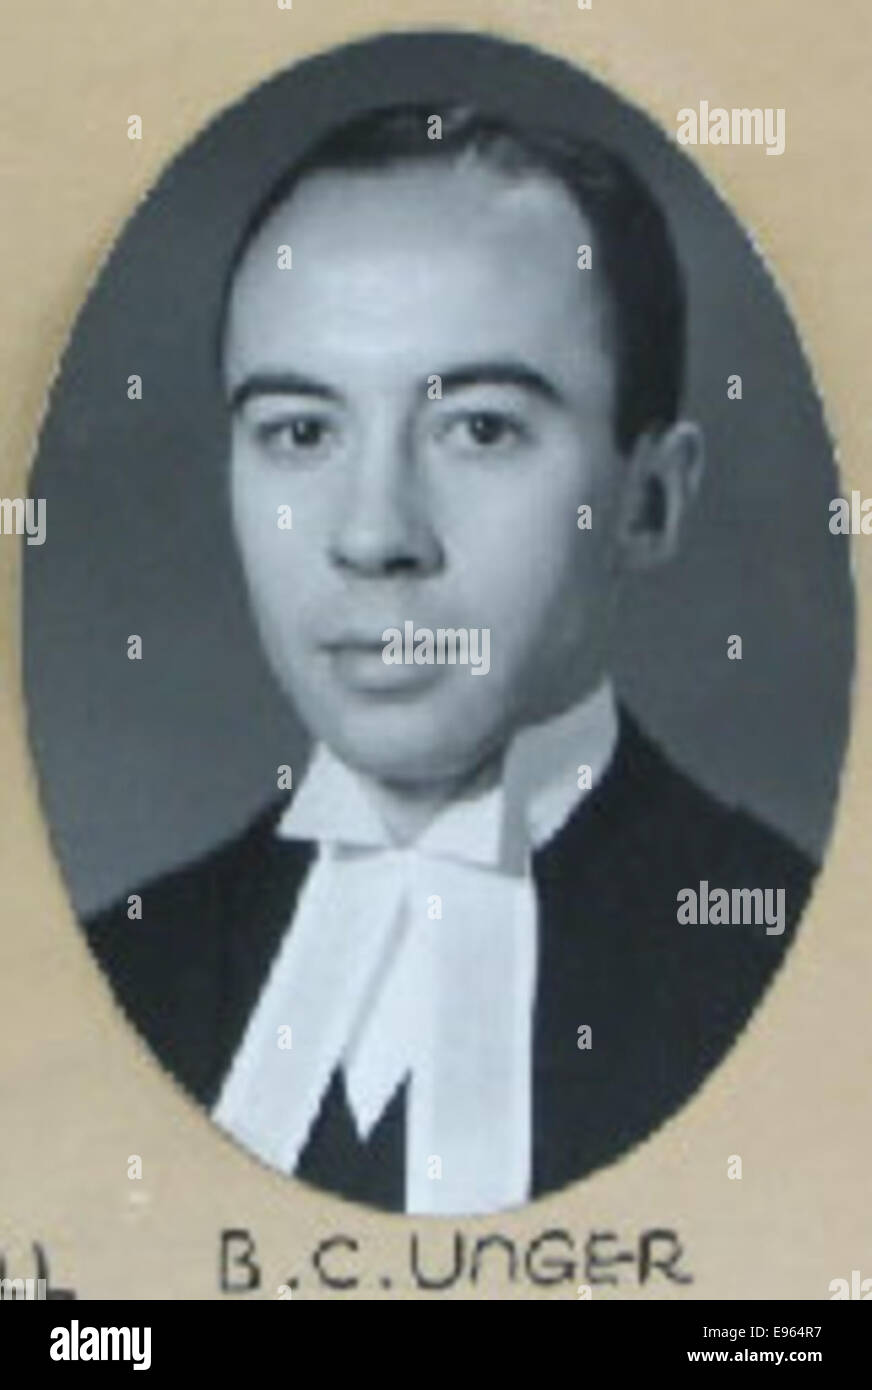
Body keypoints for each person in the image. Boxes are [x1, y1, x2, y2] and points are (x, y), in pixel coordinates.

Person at [86, 104, 815, 1215]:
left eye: (479, 428)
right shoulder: (115, 978)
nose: (374, 534)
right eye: (300, 431)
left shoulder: (809, 968)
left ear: (649, 500)